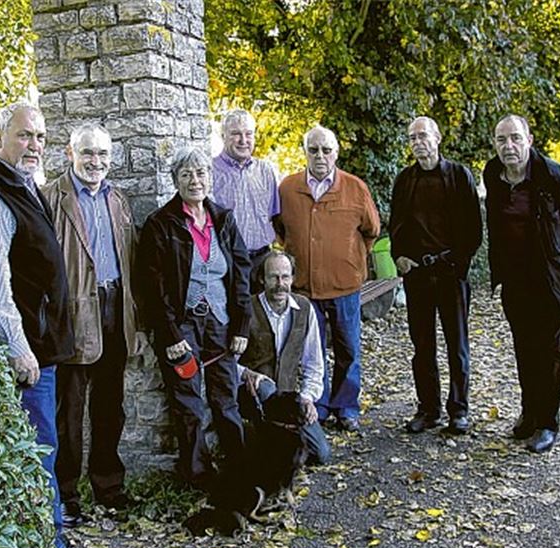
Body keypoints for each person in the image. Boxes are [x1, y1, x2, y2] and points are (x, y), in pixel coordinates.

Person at [0, 101, 83, 548]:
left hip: (44, 348)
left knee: (44, 450)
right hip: (27, 355)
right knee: (37, 455)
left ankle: (49, 543)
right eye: (25, 135)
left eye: (41, 137)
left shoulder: (23, 184)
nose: (35, 145)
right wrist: (17, 347)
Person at [39, 124, 139, 526]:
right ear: (70, 154)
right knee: (70, 411)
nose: (95, 162)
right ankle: (66, 494)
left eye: (102, 154)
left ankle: (108, 486)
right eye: (87, 153)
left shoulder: (118, 199)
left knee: (110, 407)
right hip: (75, 313)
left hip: (116, 308)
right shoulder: (52, 199)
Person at [138, 146, 252, 487]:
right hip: (182, 323)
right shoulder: (161, 224)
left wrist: (241, 324)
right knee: (188, 404)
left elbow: (242, 273)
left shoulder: (223, 219)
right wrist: (170, 336)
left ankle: (240, 469)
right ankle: (198, 477)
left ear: (210, 177)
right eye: (186, 174)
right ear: (176, 180)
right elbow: (152, 286)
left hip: (221, 321)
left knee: (225, 397)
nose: (195, 180)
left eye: (201, 173)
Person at [483, 114, 560, 453]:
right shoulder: (493, 174)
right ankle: (529, 414)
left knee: (549, 351)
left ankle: (547, 422)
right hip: (515, 279)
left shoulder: (552, 175)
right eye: (502, 140)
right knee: (524, 348)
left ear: (529, 139)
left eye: (515, 138)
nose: (508, 146)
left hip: (549, 279)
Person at [274, 125, 381, 432]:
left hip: (345, 285)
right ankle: (317, 406)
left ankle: (346, 407)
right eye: (313, 149)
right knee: (312, 351)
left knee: (349, 348)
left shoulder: (355, 187)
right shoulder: (288, 188)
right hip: (305, 288)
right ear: (305, 152)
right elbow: (280, 230)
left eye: (326, 150)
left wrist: (350, 258)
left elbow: (371, 230)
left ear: (336, 153)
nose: (320, 156)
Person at [389, 117, 482, 435]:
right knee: (422, 346)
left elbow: (473, 231)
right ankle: (429, 409)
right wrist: (398, 257)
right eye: (412, 137)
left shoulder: (458, 175)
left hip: (451, 274)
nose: (418, 142)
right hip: (417, 276)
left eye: (423, 136)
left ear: (438, 137)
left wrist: (457, 266)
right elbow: (396, 227)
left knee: (457, 345)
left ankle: (459, 410)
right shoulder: (404, 180)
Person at [237, 251, 331, 466]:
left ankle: (280, 440)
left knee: (321, 454)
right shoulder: (246, 309)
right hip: (253, 396)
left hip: (288, 400)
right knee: (266, 388)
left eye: (285, 277)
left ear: (292, 278)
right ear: (262, 279)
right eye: (273, 277)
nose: (280, 284)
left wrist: (307, 398)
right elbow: (226, 360)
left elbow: (314, 363)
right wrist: (246, 373)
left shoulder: (304, 308)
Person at [211, 109, 281, 292]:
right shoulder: (210, 172)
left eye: (248, 134)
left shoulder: (266, 170)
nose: (243, 140)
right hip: (227, 261)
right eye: (236, 134)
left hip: (263, 260)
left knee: (264, 317)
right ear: (223, 136)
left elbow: (275, 216)